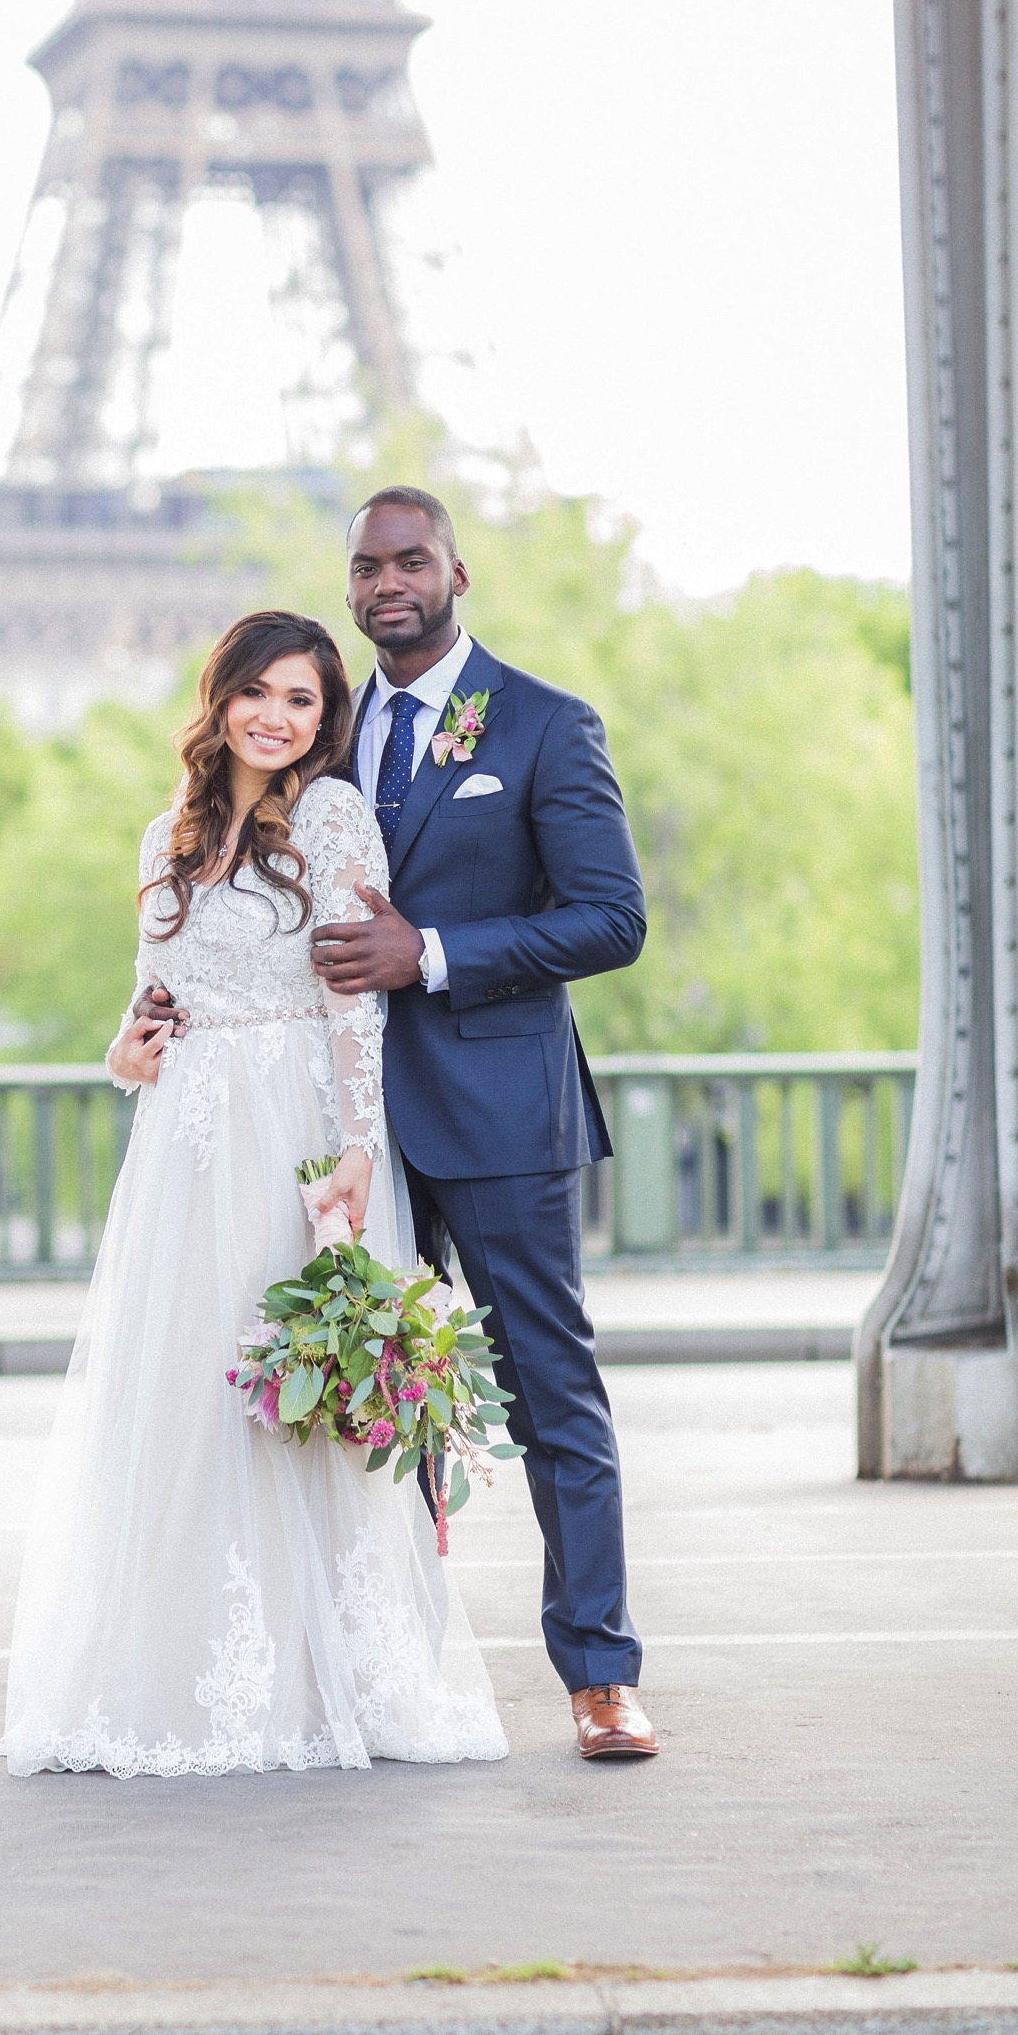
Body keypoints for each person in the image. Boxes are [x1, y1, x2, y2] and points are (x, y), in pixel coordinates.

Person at [142, 489, 657, 1761]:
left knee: (548, 1392)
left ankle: (599, 1676)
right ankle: (379, 1669)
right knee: (342, 1405)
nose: (386, 582)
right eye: (365, 565)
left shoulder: (542, 725)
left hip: (495, 1116)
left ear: (455, 572)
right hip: (327, 1133)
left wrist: (426, 951)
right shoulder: (319, 720)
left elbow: (611, 920)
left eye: (409, 559)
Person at [0, 608, 507, 1780]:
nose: (277, 719)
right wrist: (124, 1053)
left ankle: (318, 1671)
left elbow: (353, 999)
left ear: (324, 722)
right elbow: (148, 1007)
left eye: (304, 702)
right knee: (184, 1392)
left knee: (292, 1398)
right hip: (186, 1140)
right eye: (259, 694)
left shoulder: (330, 818)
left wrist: (359, 1148)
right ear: (218, 695)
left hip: (293, 1129)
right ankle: (177, 1669)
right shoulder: (162, 836)